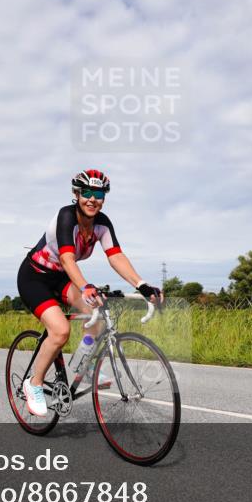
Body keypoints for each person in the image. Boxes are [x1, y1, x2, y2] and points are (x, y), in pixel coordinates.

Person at [16, 169, 162, 416]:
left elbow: (115, 255)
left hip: (62, 278)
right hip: (35, 278)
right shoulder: (66, 217)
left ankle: (85, 363)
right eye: (87, 193)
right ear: (76, 194)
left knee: (97, 311)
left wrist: (142, 285)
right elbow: (67, 257)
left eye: (99, 193)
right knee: (60, 330)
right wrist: (85, 287)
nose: (92, 199)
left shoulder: (102, 224)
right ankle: (35, 383)